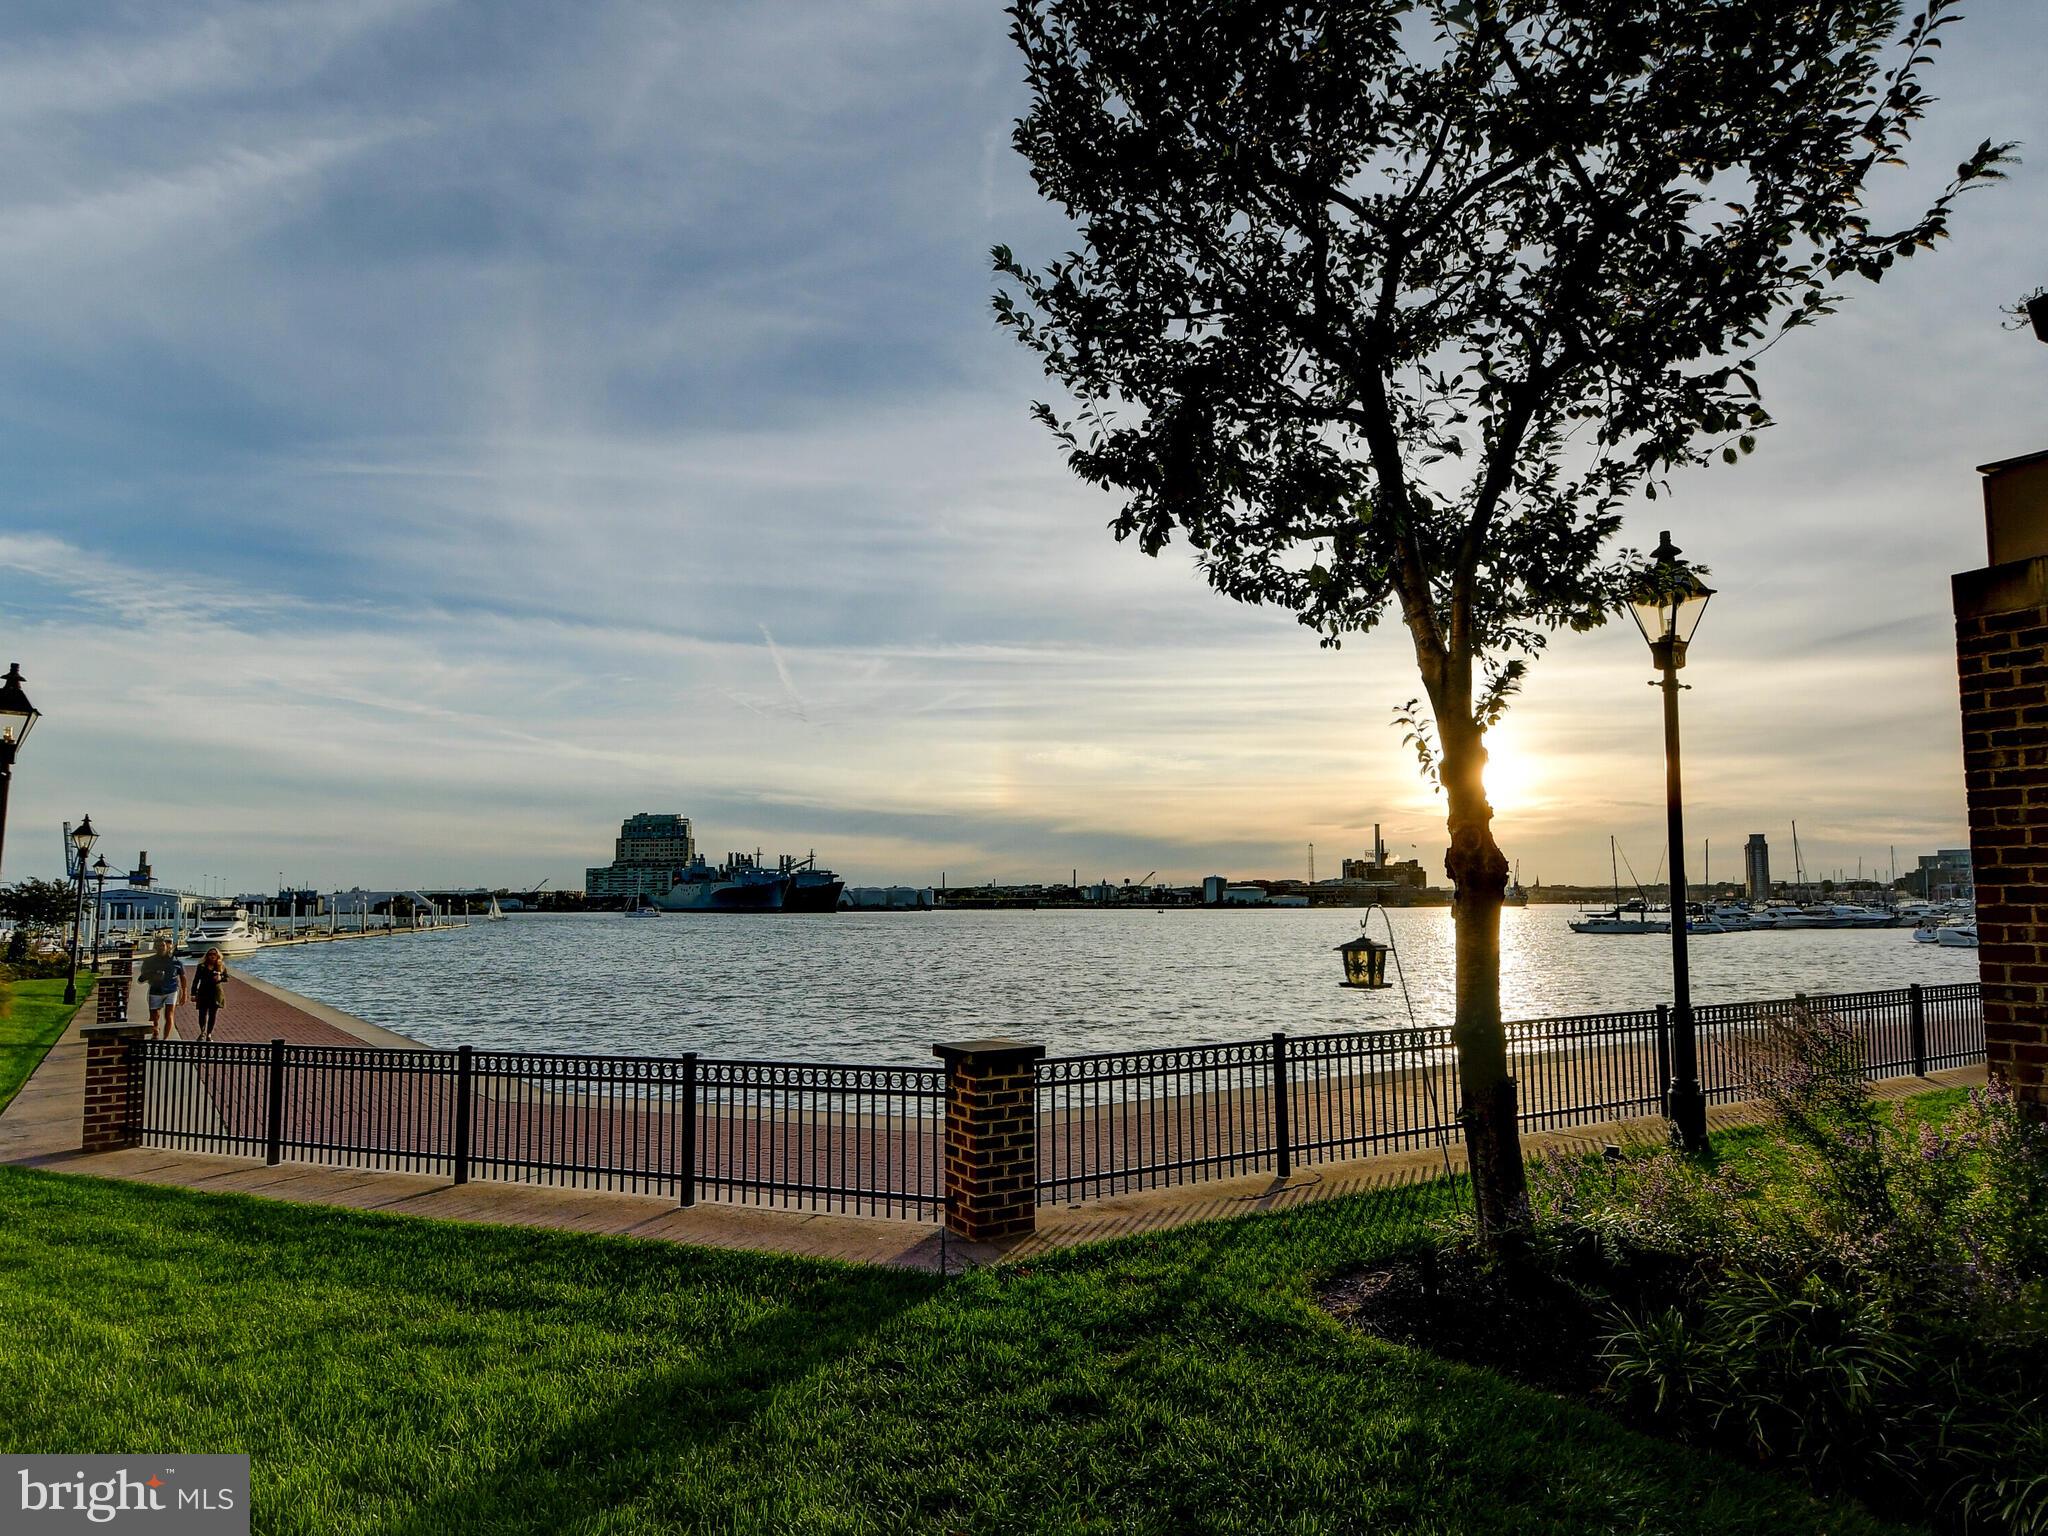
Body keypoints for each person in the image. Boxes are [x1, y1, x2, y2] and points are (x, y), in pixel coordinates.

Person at [137, 936, 187, 1041]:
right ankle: (155, 1031)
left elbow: (183, 977)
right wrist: (152, 975)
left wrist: (184, 993)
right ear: (155, 947)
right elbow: (141, 978)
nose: (162, 947)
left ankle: (165, 1038)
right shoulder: (150, 961)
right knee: (154, 1016)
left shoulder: (176, 962)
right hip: (155, 990)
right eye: (159, 946)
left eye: (163, 945)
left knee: (169, 1014)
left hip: (171, 990)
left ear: (168, 947)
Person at [192, 948, 228, 1042]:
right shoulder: (201, 966)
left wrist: (220, 977)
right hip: (203, 992)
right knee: (202, 1013)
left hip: (216, 993)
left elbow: (226, 978)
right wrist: (193, 993)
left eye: (214, 954)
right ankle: (202, 1032)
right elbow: (196, 980)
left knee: (213, 1014)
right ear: (207, 956)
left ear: (217, 956)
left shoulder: (221, 966)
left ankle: (209, 1034)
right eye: (210, 954)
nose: (212, 956)